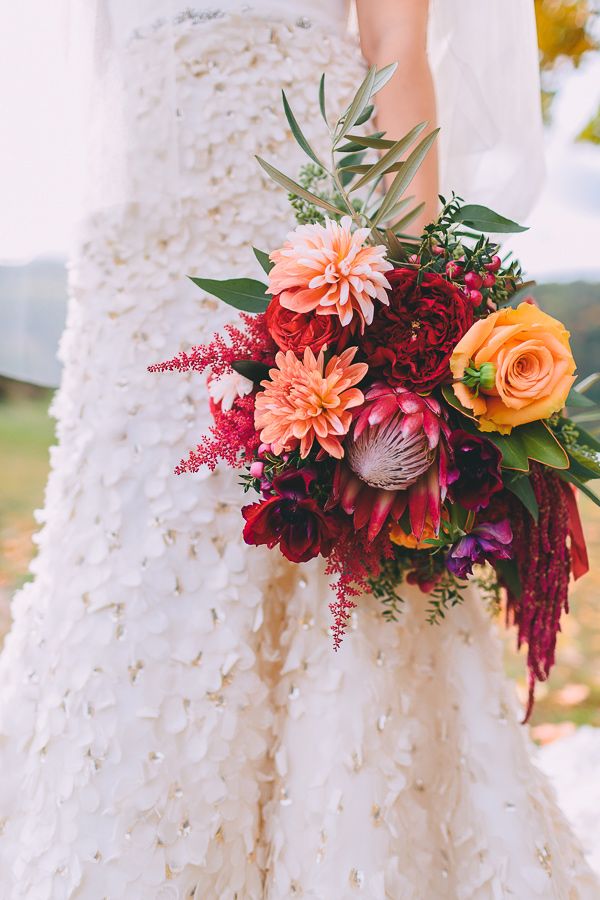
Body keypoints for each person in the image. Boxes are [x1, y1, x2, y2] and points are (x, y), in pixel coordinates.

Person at [0, 1, 595, 897]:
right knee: (128, 531)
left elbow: (395, 42)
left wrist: (408, 301)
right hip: (139, 227)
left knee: (323, 530)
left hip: (301, 204)